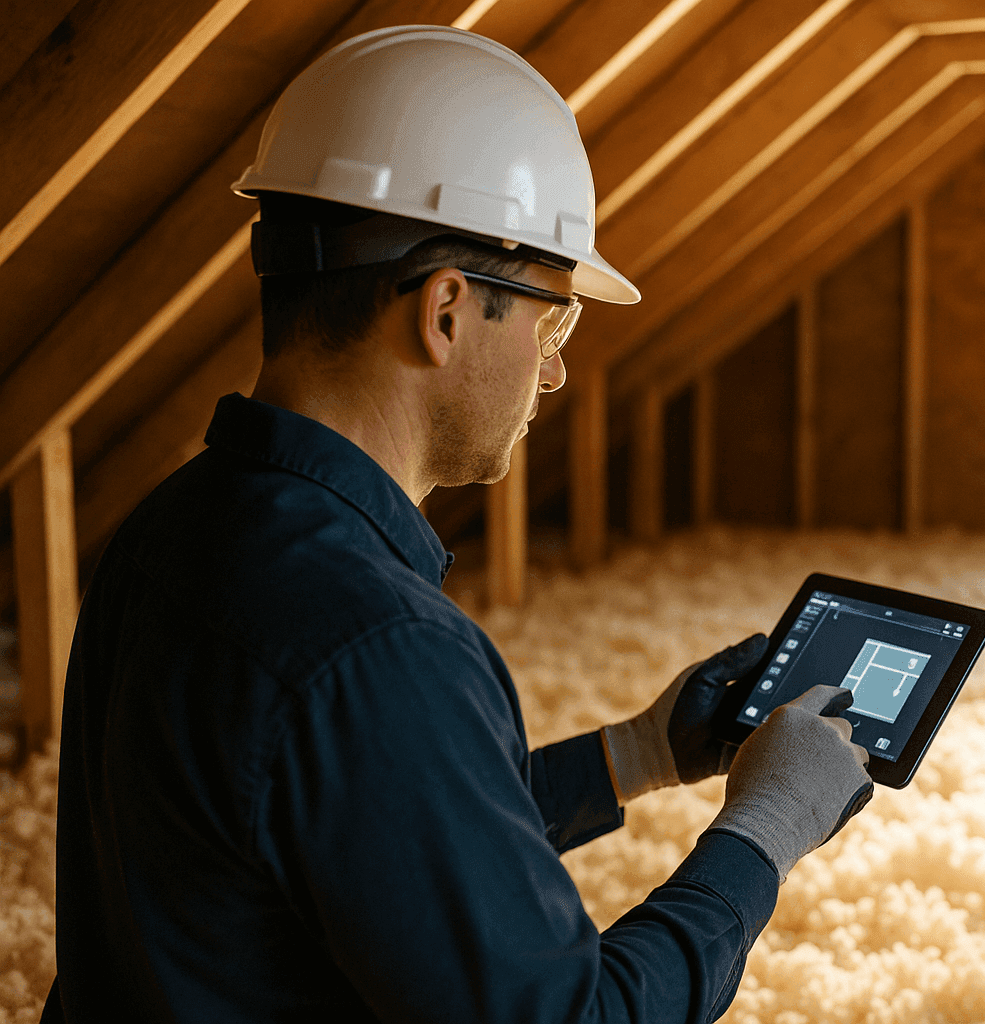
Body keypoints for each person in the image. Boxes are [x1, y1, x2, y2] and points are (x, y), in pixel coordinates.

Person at [45, 26, 873, 1022]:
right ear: (445, 312)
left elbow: (368, 825)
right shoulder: (378, 644)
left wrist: (639, 753)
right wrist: (767, 826)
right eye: (552, 322)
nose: (555, 369)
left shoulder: (168, 529)